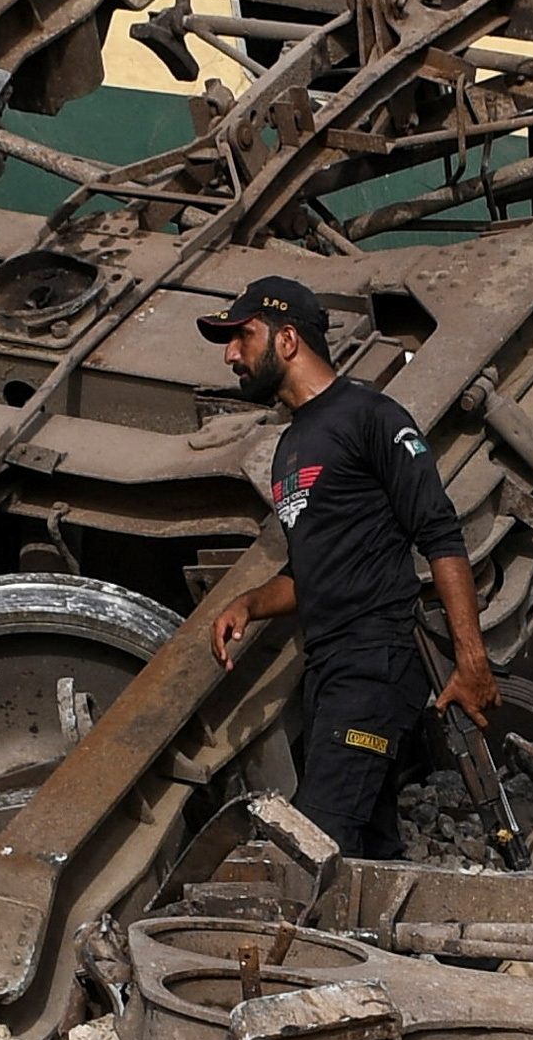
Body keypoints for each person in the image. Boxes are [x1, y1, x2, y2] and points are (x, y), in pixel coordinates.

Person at [198, 271, 495, 858]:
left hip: (373, 664)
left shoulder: (371, 417)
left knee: (314, 845)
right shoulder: (289, 448)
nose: (230, 355)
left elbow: (440, 534)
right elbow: (311, 572)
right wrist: (250, 604)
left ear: (288, 340)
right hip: (328, 670)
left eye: (243, 336)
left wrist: (471, 660)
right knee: (367, 852)